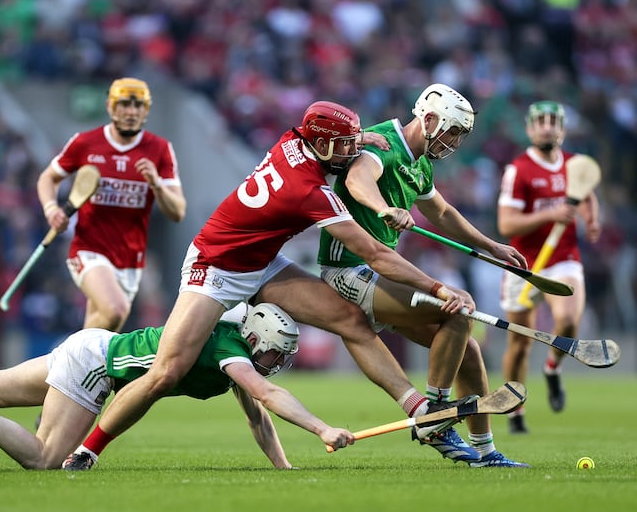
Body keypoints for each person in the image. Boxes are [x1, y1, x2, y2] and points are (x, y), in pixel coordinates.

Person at [67, 100, 481, 471]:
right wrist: (440, 288)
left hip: (261, 262)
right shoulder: (308, 192)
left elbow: (325, 135)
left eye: (354, 144)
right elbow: (376, 255)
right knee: (166, 373)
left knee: (350, 319)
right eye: (345, 147)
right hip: (216, 267)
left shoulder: (293, 138)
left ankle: (420, 409)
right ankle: (88, 450)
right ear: (321, 147)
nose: (353, 153)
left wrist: (363, 135)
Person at [0, 303, 356, 470]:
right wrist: (321, 427)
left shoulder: (234, 347)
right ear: (254, 337)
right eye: (274, 352)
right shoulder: (229, 349)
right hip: (96, 366)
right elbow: (268, 397)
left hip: (93, 346)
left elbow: (257, 415)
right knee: (45, 460)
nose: (276, 363)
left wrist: (286, 471)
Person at [317, 83, 529, 468]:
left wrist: (491, 247)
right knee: (458, 310)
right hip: (347, 271)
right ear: (429, 119)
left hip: (379, 271)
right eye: (451, 131)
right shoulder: (383, 142)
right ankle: (436, 412)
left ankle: (485, 452)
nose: (455, 143)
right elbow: (356, 181)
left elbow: (443, 214)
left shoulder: (422, 163)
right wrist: (384, 209)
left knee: (468, 349)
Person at [36, 77, 186, 331]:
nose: (131, 111)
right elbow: (48, 178)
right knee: (116, 310)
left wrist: (157, 184)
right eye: (124, 104)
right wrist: (51, 209)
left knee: (96, 336)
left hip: (130, 261)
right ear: (110, 106)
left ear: (146, 110)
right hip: (89, 250)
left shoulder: (160, 150)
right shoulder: (85, 143)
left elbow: (178, 211)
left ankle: (64, 368)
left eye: (138, 105)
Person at [497, 100, 601, 434]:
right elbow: (506, 225)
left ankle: (553, 368)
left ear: (563, 128)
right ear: (529, 128)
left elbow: (585, 193)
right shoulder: (518, 170)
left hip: (563, 258)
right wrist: (550, 215)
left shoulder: (574, 164)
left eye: (553, 121)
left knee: (568, 322)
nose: (546, 126)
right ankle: (515, 409)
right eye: (540, 121)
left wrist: (591, 218)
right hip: (524, 265)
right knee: (520, 342)